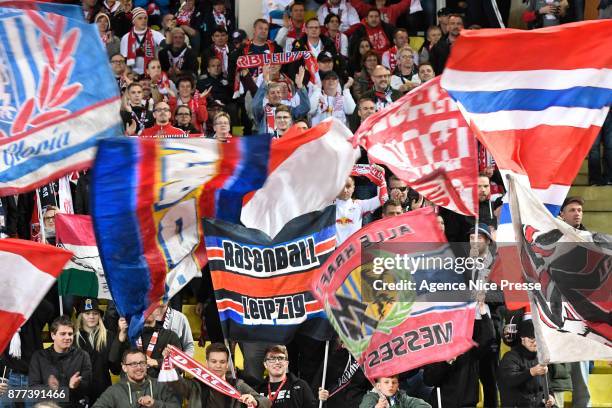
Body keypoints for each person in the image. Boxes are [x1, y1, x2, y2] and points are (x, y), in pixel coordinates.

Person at [164, 343, 269, 408]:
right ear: (206, 362)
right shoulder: (196, 385)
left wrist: (255, 401)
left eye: (222, 362)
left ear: (227, 364)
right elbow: (173, 381)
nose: (218, 365)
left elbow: (267, 402)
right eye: (214, 361)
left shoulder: (237, 385)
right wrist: (168, 362)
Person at [0, 300, 54, 408]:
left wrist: (29, 294)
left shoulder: (35, 311)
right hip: (6, 379)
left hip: (32, 378)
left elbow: (49, 309)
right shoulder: (4, 310)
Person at [29, 316, 92, 408]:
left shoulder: (83, 355)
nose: (67, 337)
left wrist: (74, 387)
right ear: (53, 335)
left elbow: (87, 386)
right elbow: (33, 389)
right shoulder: (39, 356)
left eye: (70, 334)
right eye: (63, 334)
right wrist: (65, 388)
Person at [92, 349, 180, 408]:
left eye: (142, 363)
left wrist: (155, 404)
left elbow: (176, 406)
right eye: (133, 364)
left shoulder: (160, 385)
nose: (139, 367)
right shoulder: (114, 390)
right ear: (124, 367)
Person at [498, 320, 556, 408]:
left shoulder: (540, 357)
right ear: (522, 339)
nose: (535, 343)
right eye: (532, 340)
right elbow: (509, 380)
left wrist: (551, 398)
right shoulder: (510, 357)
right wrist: (531, 372)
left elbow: (548, 387)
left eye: (537, 339)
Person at [110, 308, 182, 378]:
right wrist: (121, 336)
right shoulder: (126, 335)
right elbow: (114, 369)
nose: (149, 310)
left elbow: (180, 368)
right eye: (144, 307)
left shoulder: (169, 336)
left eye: (152, 306)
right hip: (130, 388)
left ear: (158, 312)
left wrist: (157, 362)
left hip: (158, 388)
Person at [74, 299, 121, 404]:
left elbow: (115, 369)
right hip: (80, 394)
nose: (91, 316)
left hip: (103, 391)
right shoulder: (73, 340)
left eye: (95, 313)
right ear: (81, 316)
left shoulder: (109, 337)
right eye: (87, 313)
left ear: (99, 316)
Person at [252, 66, 310, 134]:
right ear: (267, 96)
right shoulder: (262, 112)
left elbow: (306, 107)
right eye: (272, 93)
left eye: (278, 92)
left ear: (281, 95)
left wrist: (300, 85)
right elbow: (255, 106)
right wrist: (265, 82)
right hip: (267, 143)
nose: (276, 95)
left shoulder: (289, 110)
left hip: (285, 142)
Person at [335, 175, 381, 244]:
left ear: (353, 188)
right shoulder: (326, 205)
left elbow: (382, 199)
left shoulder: (359, 205)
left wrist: (380, 178)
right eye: (342, 186)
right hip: (333, 252)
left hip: (353, 251)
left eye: (348, 186)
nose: (345, 190)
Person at [120, 7, 165, 76]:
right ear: (133, 21)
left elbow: (165, 44)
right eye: (140, 18)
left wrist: (168, 31)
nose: (143, 20)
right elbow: (124, 59)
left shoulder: (155, 34)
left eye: (145, 18)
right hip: (133, 73)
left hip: (152, 73)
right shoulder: (126, 38)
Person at [359, 376, 431, 408]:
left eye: (394, 382)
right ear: (378, 386)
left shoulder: (400, 396)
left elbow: (421, 404)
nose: (391, 385)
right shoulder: (370, 397)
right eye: (386, 382)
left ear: (398, 385)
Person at [588, 111, 612, 185]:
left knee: (610, 147)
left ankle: (609, 178)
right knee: (594, 148)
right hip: (594, 111)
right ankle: (595, 179)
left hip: (608, 110)